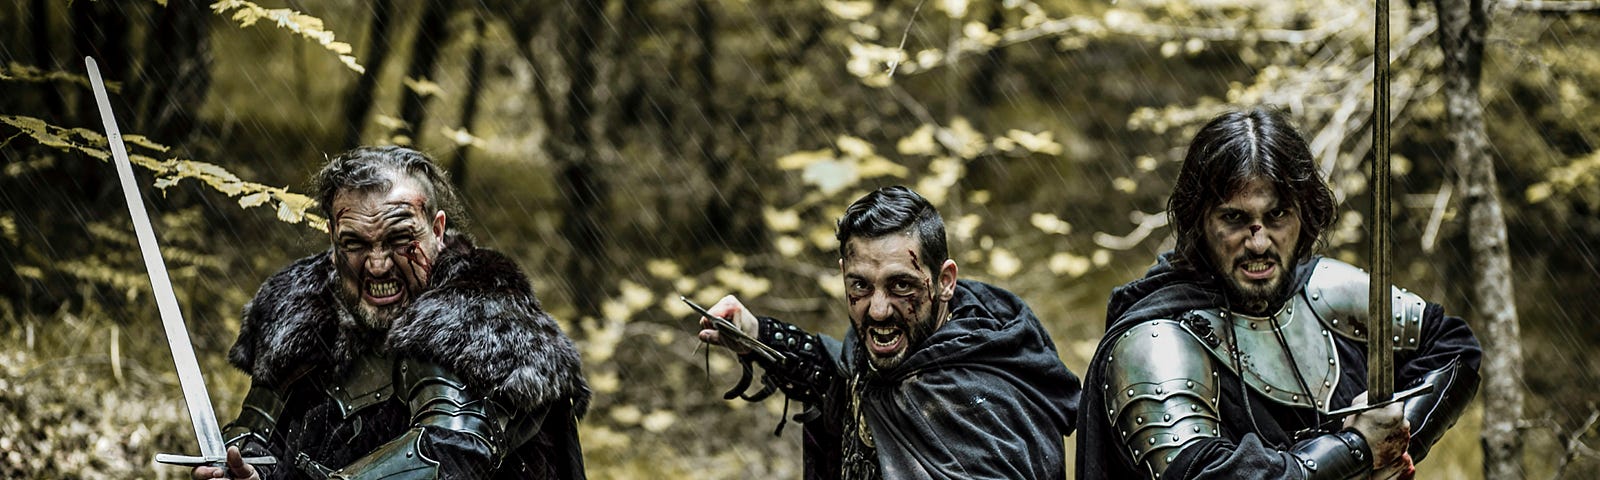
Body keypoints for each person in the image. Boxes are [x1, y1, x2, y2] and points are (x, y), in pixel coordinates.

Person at [1076, 107, 1482, 479]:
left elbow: (1453, 348)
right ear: (1199, 222)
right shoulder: (1155, 345)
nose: (1258, 243)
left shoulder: (1326, 292)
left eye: (1277, 215)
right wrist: (1358, 450)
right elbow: (1208, 475)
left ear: (1304, 215)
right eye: (1235, 219)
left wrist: (1395, 441)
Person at [193, 146, 590, 479]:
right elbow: (257, 436)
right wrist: (240, 469)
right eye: (355, 244)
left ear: (436, 230)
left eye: (400, 239)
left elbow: (443, 454)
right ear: (333, 237)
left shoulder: (484, 317)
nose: (378, 265)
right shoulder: (298, 307)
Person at [696, 185, 1082, 479]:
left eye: (901, 286)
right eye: (860, 286)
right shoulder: (885, 360)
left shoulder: (985, 404)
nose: (878, 310)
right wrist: (752, 332)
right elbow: (836, 377)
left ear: (944, 281)